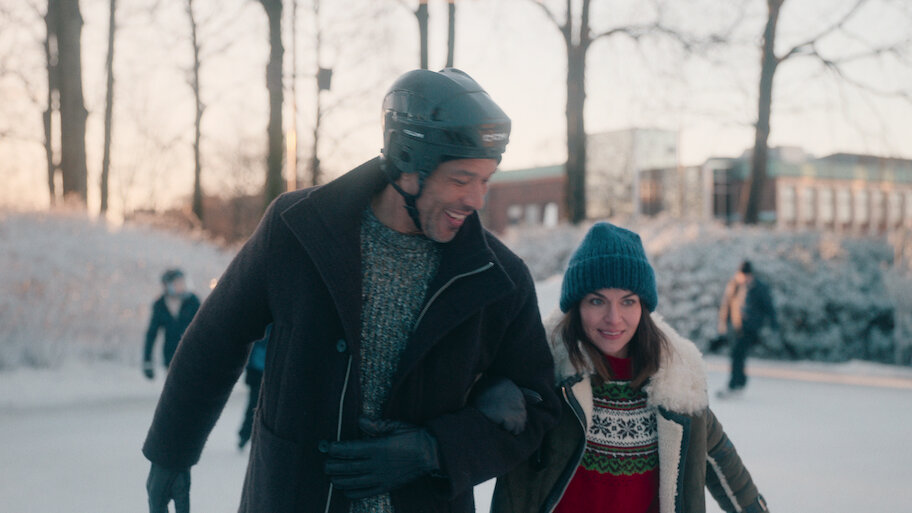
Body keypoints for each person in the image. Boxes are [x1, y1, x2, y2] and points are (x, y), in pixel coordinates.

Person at [142, 67, 560, 513]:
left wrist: (435, 450)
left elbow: (536, 407)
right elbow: (217, 337)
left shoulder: (499, 277)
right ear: (406, 160)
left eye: (486, 180)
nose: (477, 199)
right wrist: (171, 451)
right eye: (460, 179)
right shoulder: (297, 228)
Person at [491, 222, 769, 513]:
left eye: (627, 301)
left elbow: (723, 462)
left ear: (643, 307)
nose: (614, 318)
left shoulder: (675, 383)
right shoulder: (543, 375)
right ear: (577, 306)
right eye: (597, 301)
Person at [717, 260, 777, 398]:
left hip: (750, 328)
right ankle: (740, 382)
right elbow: (726, 304)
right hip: (735, 326)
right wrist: (723, 323)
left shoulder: (760, 287)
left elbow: (769, 307)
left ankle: (734, 384)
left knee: (737, 355)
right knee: (737, 356)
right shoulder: (734, 285)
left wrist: (773, 325)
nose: (743, 278)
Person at [142, 268, 201, 380]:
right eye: (177, 283)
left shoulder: (193, 301)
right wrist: (147, 361)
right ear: (168, 286)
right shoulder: (160, 305)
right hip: (171, 356)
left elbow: (204, 329)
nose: (181, 286)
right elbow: (152, 334)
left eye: (183, 282)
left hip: (193, 355)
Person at [238, 324, 271, 450]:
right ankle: (246, 435)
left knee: (256, 406)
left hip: (263, 372)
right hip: (259, 373)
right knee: (254, 405)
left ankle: (248, 436)